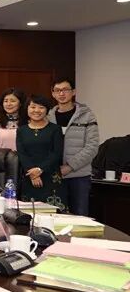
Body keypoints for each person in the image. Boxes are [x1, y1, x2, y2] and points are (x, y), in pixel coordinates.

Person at [47, 80, 99, 215]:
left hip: (79, 175)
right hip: (53, 175)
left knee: (80, 216)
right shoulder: (48, 116)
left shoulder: (87, 115)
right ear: (53, 94)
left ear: (73, 92)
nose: (61, 93)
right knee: (54, 216)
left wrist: (69, 166)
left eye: (65, 89)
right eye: (57, 90)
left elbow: (92, 146)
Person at [17, 95, 66, 209]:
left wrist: (39, 170)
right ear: (27, 109)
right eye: (33, 107)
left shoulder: (55, 129)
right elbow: (22, 153)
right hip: (29, 177)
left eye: (41, 107)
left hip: (51, 177)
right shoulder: (21, 130)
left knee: (54, 213)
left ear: (47, 110)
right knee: (29, 213)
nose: (36, 110)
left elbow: (57, 153)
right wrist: (33, 174)